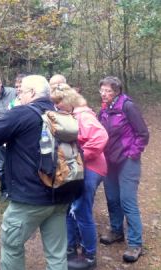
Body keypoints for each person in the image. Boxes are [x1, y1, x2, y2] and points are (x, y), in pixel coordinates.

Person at [0, 75, 81, 270]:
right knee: (56, 254)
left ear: (33, 93)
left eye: (22, 92)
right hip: (62, 193)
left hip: (31, 198)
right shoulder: (59, 114)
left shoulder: (21, 114)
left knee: (12, 244)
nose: (19, 95)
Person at [51, 84, 109, 270]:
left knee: (82, 210)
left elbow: (101, 137)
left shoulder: (83, 115)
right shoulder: (71, 115)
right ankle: (70, 249)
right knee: (70, 209)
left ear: (68, 101)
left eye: (59, 102)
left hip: (91, 169)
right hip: (79, 169)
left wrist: (82, 155)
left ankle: (89, 256)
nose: (57, 106)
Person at [97, 76, 149, 263]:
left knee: (127, 200)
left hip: (127, 160)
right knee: (112, 197)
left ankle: (135, 244)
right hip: (109, 160)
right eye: (102, 90)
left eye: (108, 91)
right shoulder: (104, 108)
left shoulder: (128, 106)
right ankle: (116, 231)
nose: (104, 94)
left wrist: (132, 153)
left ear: (117, 92)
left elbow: (143, 133)